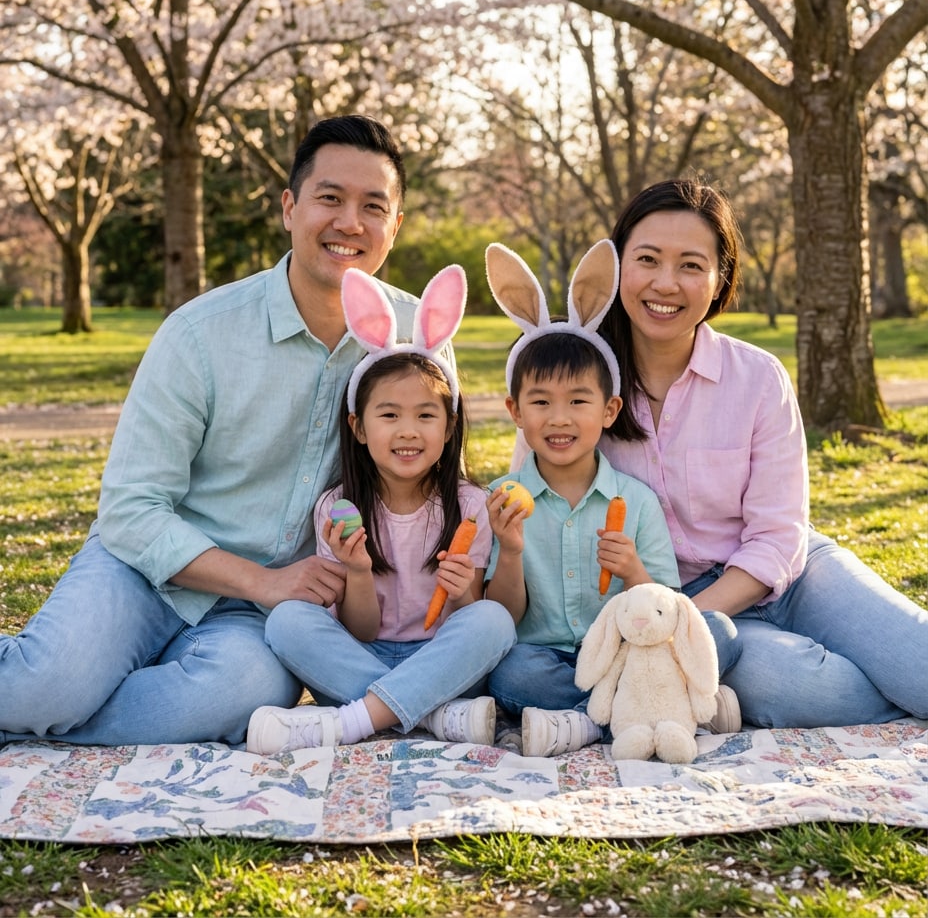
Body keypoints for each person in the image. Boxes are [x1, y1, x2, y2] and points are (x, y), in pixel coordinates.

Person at [0, 114, 428, 748]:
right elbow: (131, 509)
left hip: (265, 619)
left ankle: (59, 713)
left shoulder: (418, 343)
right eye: (329, 199)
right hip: (146, 571)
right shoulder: (201, 332)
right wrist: (263, 579)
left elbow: (431, 492)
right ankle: (49, 696)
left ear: (394, 226)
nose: (349, 223)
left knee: (237, 698)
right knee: (44, 686)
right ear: (289, 208)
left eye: (373, 206)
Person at [596, 177, 928, 728]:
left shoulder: (756, 377)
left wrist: (681, 621)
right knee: (802, 690)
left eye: (691, 265)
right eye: (648, 259)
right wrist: (667, 617)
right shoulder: (582, 384)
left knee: (919, 666)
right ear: (616, 266)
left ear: (720, 278)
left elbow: (779, 534)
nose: (666, 283)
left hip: (792, 573)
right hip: (670, 595)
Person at [482, 240, 741, 758]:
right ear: (515, 411)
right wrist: (509, 551)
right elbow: (501, 619)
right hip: (548, 657)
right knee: (510, 672)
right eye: (540, 403)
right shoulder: (500, 501)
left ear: (608, 410)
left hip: (630, 653)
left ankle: (582, 723)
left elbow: (667, 605)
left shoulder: (635, 501)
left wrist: (634, 573)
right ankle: (664, 712)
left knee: (718, 632)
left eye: (578, 401)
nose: (559, 419)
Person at [246, 264, 516, 754]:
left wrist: (460, 597)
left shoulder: (469, 507)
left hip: (441, 662)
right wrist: (357, 570)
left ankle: (356, 722)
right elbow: (359, 630)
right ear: (359, 427)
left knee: (492, 621)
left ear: (450, 425)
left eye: (426, 415)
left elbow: (468, 620)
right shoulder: (338, 508)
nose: (408, 431)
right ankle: (434, 716)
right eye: (389, 415)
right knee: (286, 620)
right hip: (359, 658)